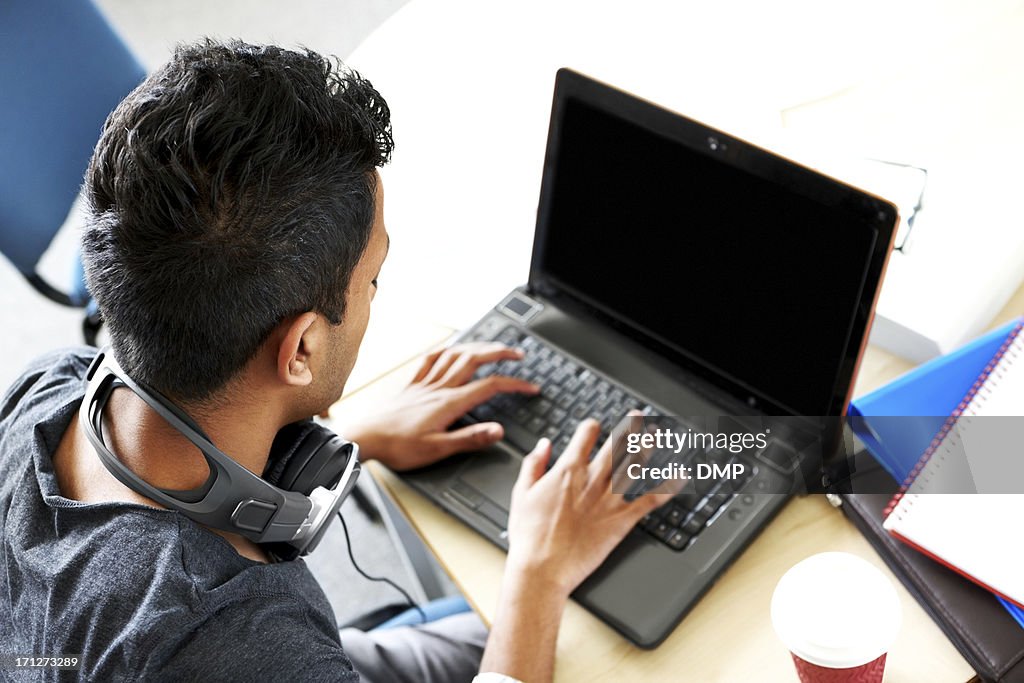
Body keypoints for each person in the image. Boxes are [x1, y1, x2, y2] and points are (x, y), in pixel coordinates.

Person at [0, 40, 670, 682]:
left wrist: (358, 437)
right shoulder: (231, 639)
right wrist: (539, 571)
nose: (375, 293)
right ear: (301, 349)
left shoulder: (46, 386)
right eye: (372, 279)